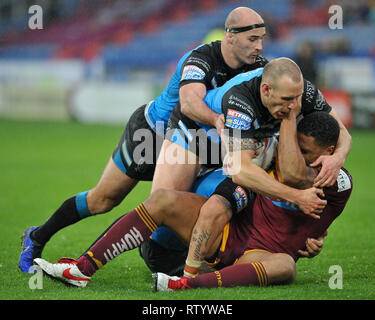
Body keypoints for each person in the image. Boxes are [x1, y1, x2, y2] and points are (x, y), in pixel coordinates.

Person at [19, 6, 268, 273]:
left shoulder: (259, 69)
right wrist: (219, 121)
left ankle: (96, 265)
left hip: (195, 143)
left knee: (172, 207)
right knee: (103, 200)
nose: (260, 46)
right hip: (150, 136)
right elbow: (188, 103)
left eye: (262, 38)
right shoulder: (201, 58)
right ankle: (39, 237)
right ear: (230, 37)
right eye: (253, 39)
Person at [33, 111, 352, 290]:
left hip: (258, 255)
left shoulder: (340, 184)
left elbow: (314, 228)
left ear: (328, 154)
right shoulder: (274, 152)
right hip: (225, 230)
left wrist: (315, 240)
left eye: (305, 151)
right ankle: (82, 269)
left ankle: (187, 285)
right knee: (163, 200)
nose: (295, 155)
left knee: (284, 267)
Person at [142, 57, 352, 276]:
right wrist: (296, 197)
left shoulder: (298, 93)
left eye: (296, 99)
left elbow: (343, 134)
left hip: (230, 156)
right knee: (140, 206)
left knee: (230, 201)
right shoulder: (241, 100)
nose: (293, 105)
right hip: (191, 137)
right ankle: (167, 259)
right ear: (266, 89)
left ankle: (195, 270)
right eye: (253, 38)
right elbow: (242, 172)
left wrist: (337, 158)